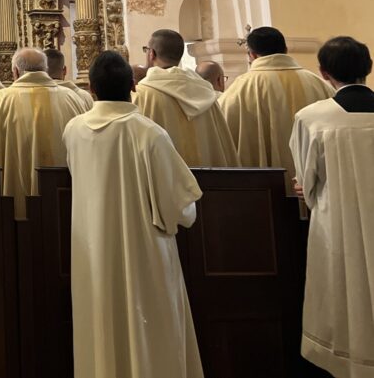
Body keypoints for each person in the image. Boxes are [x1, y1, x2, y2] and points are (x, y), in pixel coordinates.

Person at [66, 51, 204, 378]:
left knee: (101, 330)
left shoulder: (73, 130)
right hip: (145, 251)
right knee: (153, 333)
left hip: (93, 252)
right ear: (133, 84)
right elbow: (180, 208)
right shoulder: (149, 133)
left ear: (91, 88)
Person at [290, 36, 374, 377]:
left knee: (346, 297)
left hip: (339, 226)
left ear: (323, 72)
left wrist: (309, 193)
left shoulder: (312, 117)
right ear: (369, 68)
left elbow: (306, 184)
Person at [0, 47, 85, 218]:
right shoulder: (72, 98)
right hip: (65, 203)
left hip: (15, 208)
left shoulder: (2, 100)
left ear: (16, 71)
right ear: (45, 69)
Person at [220, 27, 331, 191]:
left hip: (265, 193)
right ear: (285, 50)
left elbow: (222, 131)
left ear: (252, 54)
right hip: (316, 188)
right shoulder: (318, 83)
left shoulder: (240, 89)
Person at [135, 30, 239, 167]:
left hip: (167, 177)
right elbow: (223, 147)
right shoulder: (206, 93)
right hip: (209, 178)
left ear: (151, 54)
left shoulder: (143, 94)